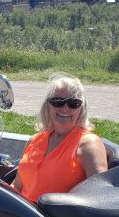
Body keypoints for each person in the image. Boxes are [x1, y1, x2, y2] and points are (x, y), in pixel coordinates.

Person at [12, 73, 108, 203]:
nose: (65, 109)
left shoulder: (88, 144)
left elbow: (101, 197)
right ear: (48, 105)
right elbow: (17, 186)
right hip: (20, 215)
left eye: (73, 103)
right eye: (57, 102)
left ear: (82, 108)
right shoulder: (34, 140)